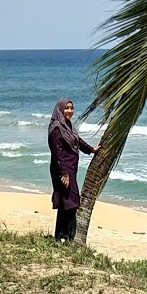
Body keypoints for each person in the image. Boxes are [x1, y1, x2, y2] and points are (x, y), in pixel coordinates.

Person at [47, 97, 98, 242]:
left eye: (71, 108)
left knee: (66, 203)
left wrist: (91, 149)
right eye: (66, 108)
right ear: (60, 109)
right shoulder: (56, 128)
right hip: (62, 169)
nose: (69, 111)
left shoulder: (68, 125)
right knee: (71, 202)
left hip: (70, 169)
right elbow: (56, 153)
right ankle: (65, 236)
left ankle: (62, 237)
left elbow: (77, 141)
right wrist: (63, 173)